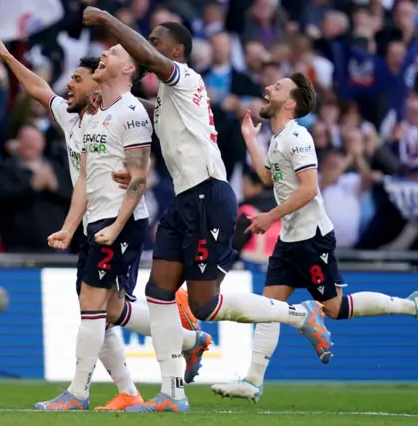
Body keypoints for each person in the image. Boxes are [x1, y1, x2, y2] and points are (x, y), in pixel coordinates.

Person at [83, 8, 333, 413]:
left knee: (204, 305)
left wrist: (109, 21)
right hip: (184, 200)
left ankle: (298, 313)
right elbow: (146, 112)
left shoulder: (185, 77)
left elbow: (149, 59)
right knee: (159, 293)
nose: (150, 48)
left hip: (209, 195)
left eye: (157, 41)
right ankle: (172, 394)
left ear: (177, 51)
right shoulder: (168, 98)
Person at [0, 31, 208, 412]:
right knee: (110, 310)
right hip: (93, 222)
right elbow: (38, 89)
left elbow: (141, 172)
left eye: (78, 79)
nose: (68, 86)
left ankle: (79, 394)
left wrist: (116, 224)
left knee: (92, 304)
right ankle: (184, 342)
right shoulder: (80, 122)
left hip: (120, 220)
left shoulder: (128, 113)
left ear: (97, 83)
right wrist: (4, 55)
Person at [211, 73, 418, 403]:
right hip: (291, 238)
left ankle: (412, 305)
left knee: (335, 308)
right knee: (268, 308)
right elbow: (267, 177)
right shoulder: (278, 138)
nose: (267, 88)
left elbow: (309, 189)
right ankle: (253, 380)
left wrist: (270, 217)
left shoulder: (298, 137)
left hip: (311, 239)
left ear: (290, 103)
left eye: (276, 87)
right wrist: (251, 137)